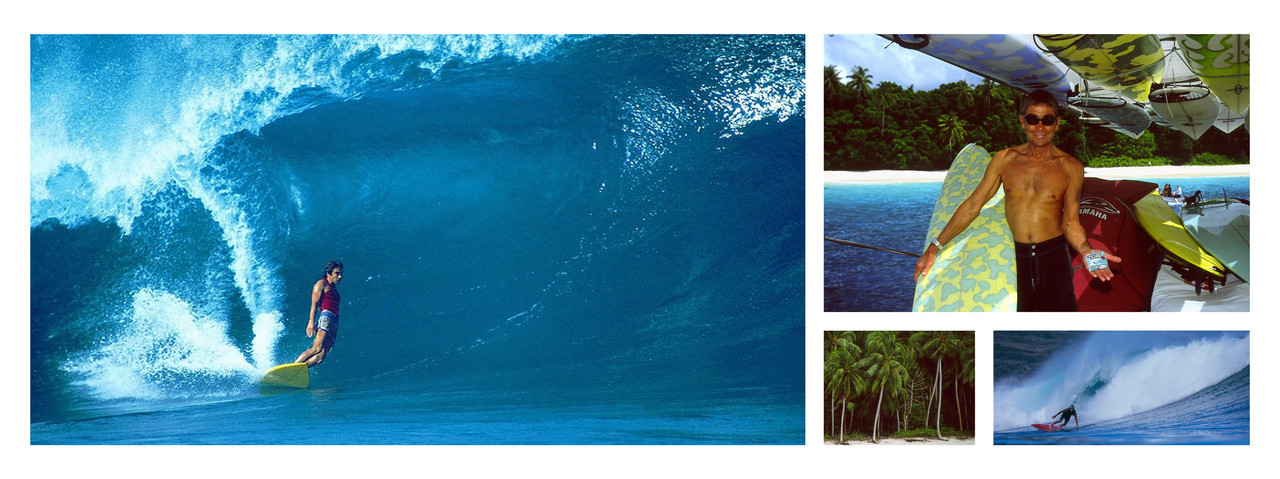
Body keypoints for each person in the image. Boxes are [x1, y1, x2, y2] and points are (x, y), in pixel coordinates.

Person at [913, 89, 1120, 312]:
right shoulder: (1004, 160)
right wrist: (934, 247)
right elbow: (973, 205)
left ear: (1057, 123)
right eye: (1033, 120)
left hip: (1054, 257)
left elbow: (1070, 222)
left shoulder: (1071, 167)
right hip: (1014, 257)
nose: (1040, 128)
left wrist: (1086, 250)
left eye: (1047, 120)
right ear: (1023, 121)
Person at [295, 260, 343, 367]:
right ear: (328, 273)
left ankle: (299, 369)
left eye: (341, 274)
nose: (340, 276)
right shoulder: (321, 284)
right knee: (316, 348)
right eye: (337, 273)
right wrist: (311, 322)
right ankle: (292, 367)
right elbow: (314, 304)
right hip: (326, 317)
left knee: (321, 356)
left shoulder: (334, 289)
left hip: (334, 321)